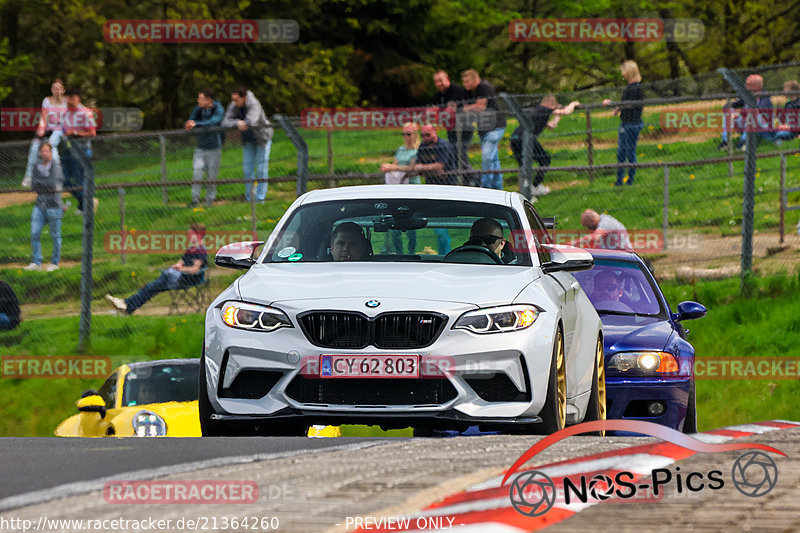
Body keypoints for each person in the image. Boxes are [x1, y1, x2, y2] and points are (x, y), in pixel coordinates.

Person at [104, 223, 208, 314]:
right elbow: (182, 261)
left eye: (191, 234)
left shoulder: (200, 250)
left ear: (198, 235)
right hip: (179, 277)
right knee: (151, 288)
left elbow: (195, 269)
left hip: (187, 280)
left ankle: (127, 304)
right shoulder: (191, 248)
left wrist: (181, 269)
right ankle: (127, 307)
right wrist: (177, 265)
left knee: (151, 287)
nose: (188, 236)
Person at [510, 95, 580, 198]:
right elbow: (566, 111)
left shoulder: (539, 112)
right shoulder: (545, 109)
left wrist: (557, 116)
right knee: (545, 160)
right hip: (525, 139)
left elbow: (552, 126)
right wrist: (573, 104)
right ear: (551, 104)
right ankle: (535, 186)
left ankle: (526, 192)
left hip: (515, 138)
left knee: (524, 165)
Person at [222, 86, 274, 203]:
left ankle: (260, 198)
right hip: (248, 140)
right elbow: (225, 122)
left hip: (262, 139)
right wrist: (237, 122)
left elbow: (252, 121)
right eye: (233, 100)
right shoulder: (234, 105)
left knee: (261, 169)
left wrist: (241, 123)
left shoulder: (254, 104)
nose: (234, 103)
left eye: (236, 100)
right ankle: (250, 198)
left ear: (244, 97)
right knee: (247, 169)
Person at [413, 125, 458, 254]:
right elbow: (417, 168)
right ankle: (443, 252)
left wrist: (424, 168)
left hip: (447, 188)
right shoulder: (423, 146)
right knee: (438, 225)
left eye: (428, 135)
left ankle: (445, 252)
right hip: (431, 189)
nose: (425, 138)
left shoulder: (443, 145)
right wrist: (430, 169)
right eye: (423, 135)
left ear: (435, 132)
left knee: (442, 224)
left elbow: (439, 167)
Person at [461, 69, 507, 189]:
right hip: (483, 129)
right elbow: (465, 107)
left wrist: (470, 107)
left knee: (487, 157)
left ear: (475, 79)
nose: (464, 84)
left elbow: (480, 107)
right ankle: (497, 188)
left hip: (495, 127)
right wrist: (472, 106)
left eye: (467, 81)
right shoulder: (470, 91)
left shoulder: (484, 87)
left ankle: (485, 187)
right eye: (463, 82)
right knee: (493, 159)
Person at [380, 122, 420, 254]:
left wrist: (392, 167)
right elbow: (396, 164)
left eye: (408, 134)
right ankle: (398, 251)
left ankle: (412, 251)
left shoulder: (417, 150)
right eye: (404, 134)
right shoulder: (401, 150)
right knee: (395, 219)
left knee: (412, 222)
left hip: (411, 186)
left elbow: (412, 168)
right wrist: (393, 168)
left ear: (414, 134)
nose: (406, 137)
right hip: (398, 186)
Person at [602, 60, 644, 186]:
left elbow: (630, 104)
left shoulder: (635, 88)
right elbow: (627, 104)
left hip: (630, 125)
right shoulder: (631, 87)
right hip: (626, 123)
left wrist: (612, 104)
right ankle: (620, 180)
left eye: (623, 70)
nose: (622, 73)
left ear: (629, 72)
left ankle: (629, 180)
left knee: (628, 152)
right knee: (622, 153)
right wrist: (618, 108)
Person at [24, 143, 64, 272]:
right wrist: (44, 185)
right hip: (40, 204)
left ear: (51, 152)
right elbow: (34, 185)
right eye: (43, 151)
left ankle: (55, 263)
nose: (45, 153)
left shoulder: (56, 166)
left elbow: (53, 183)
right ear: (40, 152)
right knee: (34, 232)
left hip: (54, 204)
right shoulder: (36, 166)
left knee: (55, 235)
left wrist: (42, 184)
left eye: (47, 151)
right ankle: (36, 262)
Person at [433, 70, 475, 184]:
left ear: (447, 79)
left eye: (441, 81)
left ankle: (473, 178)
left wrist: (439, 115)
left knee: (460, 153)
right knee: (455, 154)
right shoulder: (438, 95)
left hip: (464, 128)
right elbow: (433, 111)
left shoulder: (455, 90)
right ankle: (465, 180)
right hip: (452, 129)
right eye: (436, 81)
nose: (438, 84)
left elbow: (450, 110)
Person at [22, 79, 66, 188]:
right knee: (35, 147)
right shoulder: (47, 101)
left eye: (58, 88)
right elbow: (44, 117)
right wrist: (41, 129)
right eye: (54, 88)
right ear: (51, 90)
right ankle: (29, 176)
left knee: (50, 145)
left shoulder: (66, 102)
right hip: (49, 130)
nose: (56, 90)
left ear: (63, 90)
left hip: (61, 130)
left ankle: (56, 178)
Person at [59, 88, 97, 214]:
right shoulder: (64, 113)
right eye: (68, 97)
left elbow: (92, 133)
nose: (71, 100)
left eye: (73, 97)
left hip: (82, 150)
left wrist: (74, 132)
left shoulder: (85, 113)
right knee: (62, 179)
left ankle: (85, 206)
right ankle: (86, 203)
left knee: (80, 179)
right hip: (68, 150)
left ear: (78, 98)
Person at [185, 88, 225, 207]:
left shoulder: (218, 109)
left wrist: (197, 124)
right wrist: (189, 123)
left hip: (214, 148)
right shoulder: (199, 109)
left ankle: (209, 201)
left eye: (201, 99)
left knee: (211, 175)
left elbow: (214, 121)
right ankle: (195, 200)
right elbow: (191, 119)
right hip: (201, 147)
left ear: (209, 100)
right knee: (197, 172)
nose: (198, 101)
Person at [718, 74, 773, 151]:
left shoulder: (765, 97)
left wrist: (740, 113)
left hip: (763, 126)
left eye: (748, 84)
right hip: (747, 122)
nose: (745, 85)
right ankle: (725, 142)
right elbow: (727, 106)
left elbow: (759, 113)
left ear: (756, 86)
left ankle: (743, 142)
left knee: (753, 114)